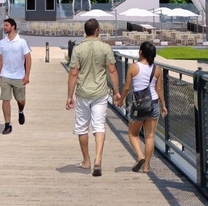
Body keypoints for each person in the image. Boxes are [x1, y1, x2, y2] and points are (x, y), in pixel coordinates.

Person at [66, 18, 119, 176]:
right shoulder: (105, 48)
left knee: (82, 127)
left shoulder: (78, 49)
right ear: (97, 31)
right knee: (99, 126)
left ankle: (86, 161)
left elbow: (73, 73)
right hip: (100, 93)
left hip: (82, 93)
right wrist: (117, 92)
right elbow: (112, 71)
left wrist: (70, 96)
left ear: (85, 31)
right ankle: (98, 160)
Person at [120, 40, 166, 174]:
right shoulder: (157, 69)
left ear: (141, 52)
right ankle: (146, 166)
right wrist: (163, 105)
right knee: (150, 136)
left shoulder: (133, 67)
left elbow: (127, 87)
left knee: (133, 133)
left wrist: (120, 100)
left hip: (139, 105)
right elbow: (159, 89)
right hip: (154, 104)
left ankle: (140, 156)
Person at [0, 18, 31, 134]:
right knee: (5, 99)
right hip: (5, 75)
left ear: (13, 26)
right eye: (4, 25)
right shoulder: (2, 43)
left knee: (20, 100)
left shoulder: (21, 42)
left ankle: (21, 111)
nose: (4, 27)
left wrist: (27, 75)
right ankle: (8, 124)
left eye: (6, 25)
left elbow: (28, 58)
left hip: (19, 75)